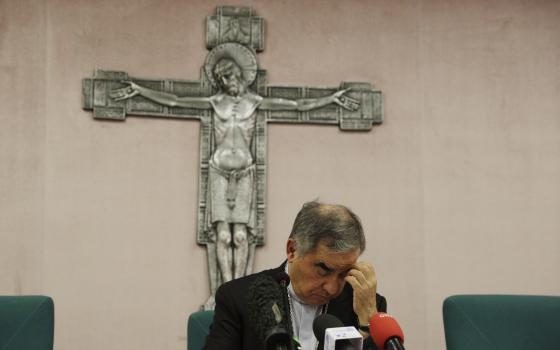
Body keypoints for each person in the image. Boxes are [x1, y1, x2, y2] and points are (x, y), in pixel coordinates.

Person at [110, 46, 360, 309]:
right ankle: (223, 291)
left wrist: (332, 99)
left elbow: (297, 105)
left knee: (240, 236)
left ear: (240, 75)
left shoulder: (255, 102)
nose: (227, 83)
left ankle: (239, 291)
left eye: (229, 77)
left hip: (244, 174)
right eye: (222, 80)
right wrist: (139, 90)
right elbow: (174, 101)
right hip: (219, 172)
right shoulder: (215, 102)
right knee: (222, 236)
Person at [203, 201, 387, 350]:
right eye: (323, 269)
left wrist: (369, 320)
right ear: (292, 250)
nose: (332, 287)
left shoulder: (364, 304)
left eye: (344, 273)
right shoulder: (239, 297)